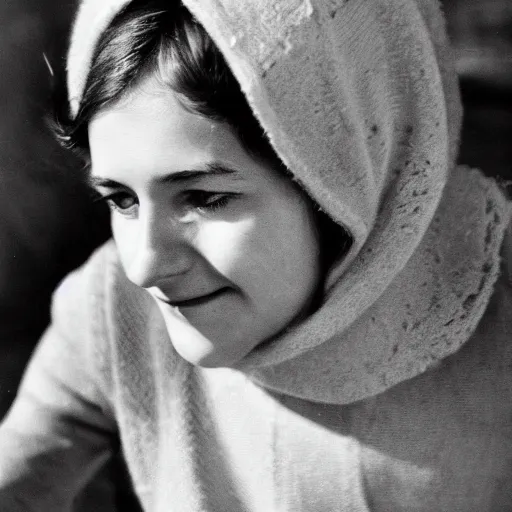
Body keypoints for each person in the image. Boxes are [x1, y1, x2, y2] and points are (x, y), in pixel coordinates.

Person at [0, 0, 511, 510]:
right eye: (122, 199)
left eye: (204, 197)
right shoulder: (115, 309)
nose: (144, 266)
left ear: (345, 174)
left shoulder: (497, 318)